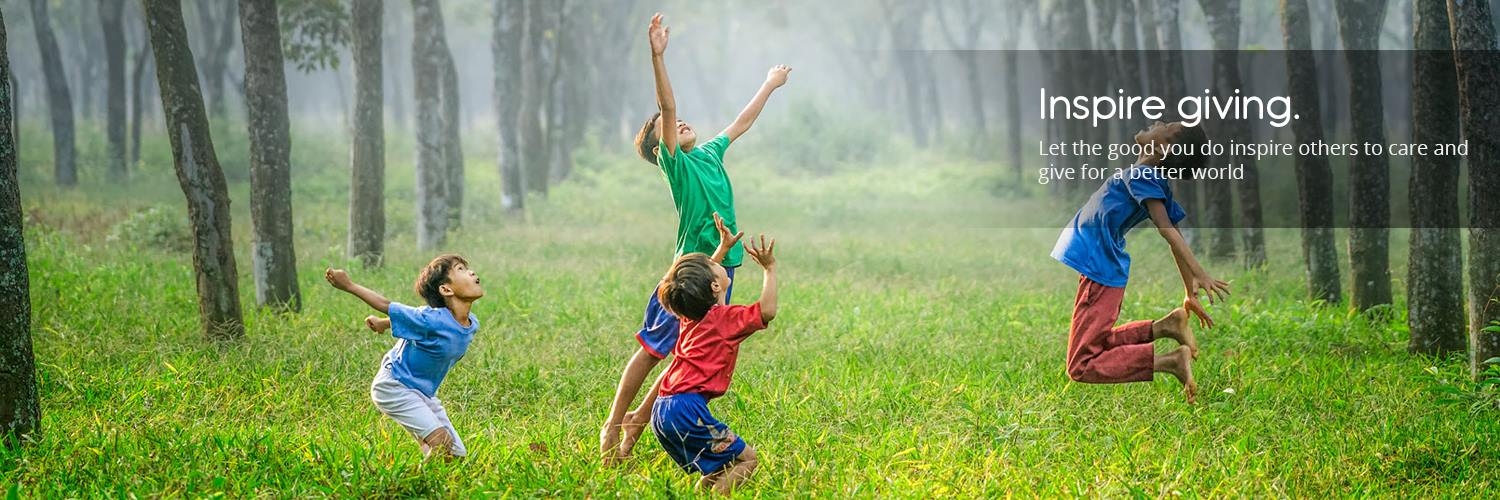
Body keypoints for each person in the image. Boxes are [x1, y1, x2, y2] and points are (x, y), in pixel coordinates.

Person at [601, 11, 792, 463]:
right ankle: (613, 424)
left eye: (682, 121)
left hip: (723, 267)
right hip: (689, 272)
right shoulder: (676, 164)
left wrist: (769, 84)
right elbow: (667, 106)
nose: (679, 122)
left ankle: (637, 426)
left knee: (690, 351)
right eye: (668, 127)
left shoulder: (709, 153)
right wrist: (657, 56)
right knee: (654, 349)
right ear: (660, 146)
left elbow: (741, 122)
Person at [1050, 121, 1230, 403]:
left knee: (1081, 365)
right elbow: (1175, 234)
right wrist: (1189, 291)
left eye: (1166, 127)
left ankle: (1171, 362)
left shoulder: (1143, 176)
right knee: (1097, 343)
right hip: (1100, 267)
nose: (1158, 123)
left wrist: (1199, 273)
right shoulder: (1148, 178)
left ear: (1164, 149)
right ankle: (1167, 326)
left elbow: (1168, 230)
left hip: (1100, 268)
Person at [324, 255, 483, 459]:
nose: (471, 272)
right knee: (441, 443)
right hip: (395, 385)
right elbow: (386, 304)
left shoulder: (471, 324)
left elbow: (415, 322)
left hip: (423, 393)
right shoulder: (430, 319)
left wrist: (383, 323)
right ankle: (412, 476)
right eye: (461, 269)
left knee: (455, 454)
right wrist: (349, 285)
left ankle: (428, 454)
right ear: (446, 289)